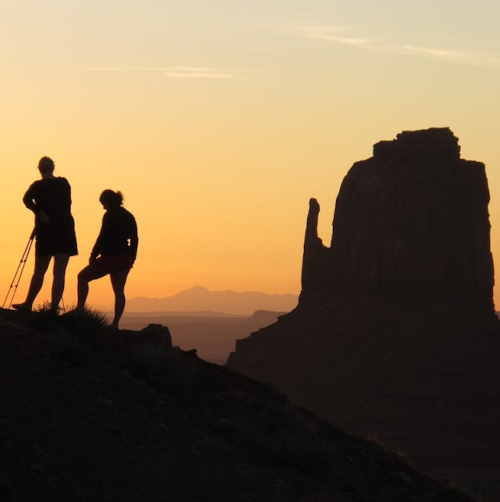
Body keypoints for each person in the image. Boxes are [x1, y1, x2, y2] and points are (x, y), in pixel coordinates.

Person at [13, 157, 78, 312]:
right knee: (60, 272)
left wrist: (39, 213)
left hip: (46, 230)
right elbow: (67, 204)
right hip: (65, 229)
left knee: (40, 271)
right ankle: (53, 308)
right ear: (53, 167)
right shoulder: (64, 183)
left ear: (40, 169)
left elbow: (26, 200)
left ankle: (28, 304)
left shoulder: (37, 186)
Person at [77, 189, 138, 329]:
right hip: (124, 258)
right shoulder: (129, 216)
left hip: (109, 257)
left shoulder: (109, 215)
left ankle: (80, 309)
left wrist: (93, 254)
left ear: (108, 201)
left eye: (103, 204)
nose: (103, 207)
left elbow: (103, 236)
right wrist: (132, 257)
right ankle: (115, 323)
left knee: (82, 277)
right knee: (119, 291)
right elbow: (135, 238)